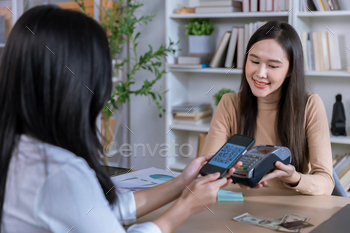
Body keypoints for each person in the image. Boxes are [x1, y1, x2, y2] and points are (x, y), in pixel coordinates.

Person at [0, 5, 241, 233]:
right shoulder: (59, 172)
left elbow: (96, 213)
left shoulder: (19, 150)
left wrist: (180, 184)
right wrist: (186, 206)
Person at [201, 21, 334, 195]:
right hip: (238, 205)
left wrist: (294, 178)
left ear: (290, 70)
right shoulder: (229, 104)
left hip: (293, 209)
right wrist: (232, 177)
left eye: (272, 66)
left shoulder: (310, 105)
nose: (260, 73)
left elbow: (326, 183)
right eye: (254, 61)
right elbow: (208, 170)